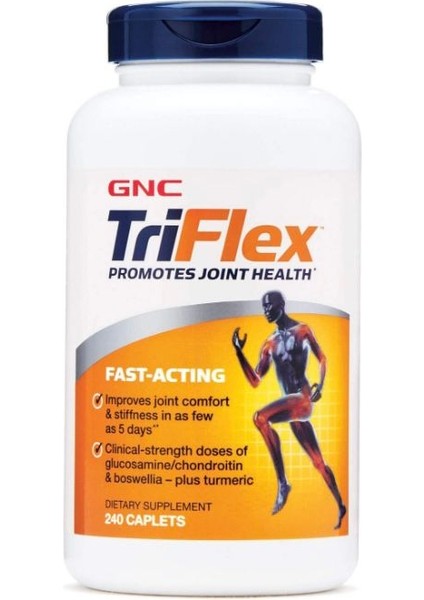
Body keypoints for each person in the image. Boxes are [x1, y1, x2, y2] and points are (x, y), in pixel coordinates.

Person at [232, 290, 346, 529]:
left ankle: (283, 483)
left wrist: (320, 386)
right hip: (294, 411)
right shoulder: (269, 344)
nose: (265, 311)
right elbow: (255, 380)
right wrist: (239, 353)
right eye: (263, 307)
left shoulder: (303, 330)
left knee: (260, 418)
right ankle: (341, 505)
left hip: (303, 400)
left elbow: (323, 358)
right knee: (318, 462)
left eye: (269, 306)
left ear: (280, 305)